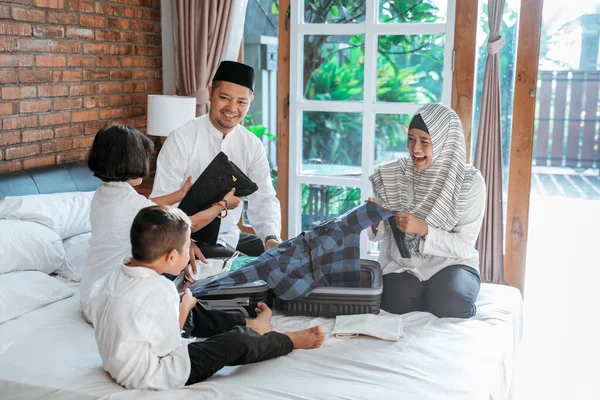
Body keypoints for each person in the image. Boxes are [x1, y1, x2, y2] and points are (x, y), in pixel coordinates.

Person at [85, 205, 325, 390]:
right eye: (187, 245)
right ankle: (289, 340)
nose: (190, 249)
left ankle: (252, 324)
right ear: (170, 257)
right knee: (237, 342)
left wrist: (182, 308)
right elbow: (168, 346)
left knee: (192, 309)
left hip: (115, 362)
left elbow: (95, 310)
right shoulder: (159, 289)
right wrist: (184, 309)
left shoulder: (115, 273)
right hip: (153, 373)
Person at [80, 125, 241, 315]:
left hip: (91, 294)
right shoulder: (133, 205)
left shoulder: (104, 194)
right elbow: (192, 224)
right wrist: (222, 204)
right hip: (110, 303)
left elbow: (147, 204)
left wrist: (179, 194)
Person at [151, 61, 282, 258]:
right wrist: (183, 242)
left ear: (250, 101)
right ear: (211, 92)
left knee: (279, 257)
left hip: (230, 236)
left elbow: (264, 198)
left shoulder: (252, 145)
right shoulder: (181, 138)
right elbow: (163, 205)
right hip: (185, 238)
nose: (232, 108)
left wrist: (271, 237)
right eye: (224, 98)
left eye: (241, 102)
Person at [368, 103, 486, 319]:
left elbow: (463, 246)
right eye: (411, 139)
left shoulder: (469, 183)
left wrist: (423, 230)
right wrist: (375, 221)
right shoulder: (396, 175)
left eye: (425, 141)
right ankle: (427, 293)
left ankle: (438, 292)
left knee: (453, 304)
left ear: (445, 142)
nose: (415, 149)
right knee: (394, 300)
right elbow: (385, 234)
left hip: (452, 263)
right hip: (407, 265)